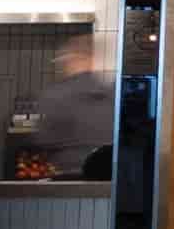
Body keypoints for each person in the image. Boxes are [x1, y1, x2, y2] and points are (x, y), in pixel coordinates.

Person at [28, 31, 118, 177]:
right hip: (107, 181)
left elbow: (43, 139)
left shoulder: (55, 95)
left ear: (73, 58)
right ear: (92, 58)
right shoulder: (112, 94)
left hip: (68, 179)